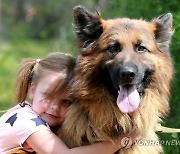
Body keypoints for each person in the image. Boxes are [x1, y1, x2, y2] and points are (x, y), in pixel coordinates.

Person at [0, 52, 139, 154]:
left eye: (66, 101)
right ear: (32, 90)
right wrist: (122, 141)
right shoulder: (26, 122)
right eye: (48, 96)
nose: (54, 107)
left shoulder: (41, 121)